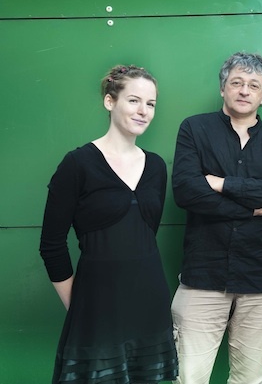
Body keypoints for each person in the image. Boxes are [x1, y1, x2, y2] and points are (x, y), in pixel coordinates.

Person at [39, 65, 178, 383]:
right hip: (97, 307)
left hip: (150, 303)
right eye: (134, 100)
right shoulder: (77, 164)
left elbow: (145, 234)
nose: (143, 111)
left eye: (151, 104)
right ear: (109, 101)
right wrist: (80, 306)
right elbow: (51, 246)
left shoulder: (156, 167)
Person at [170, 52, 262, 384]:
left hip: (260, 279)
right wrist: (254, 205)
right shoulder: (194, 129)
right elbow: (186, 191)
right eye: (237, 83)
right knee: (188, 378)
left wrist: (222, 184)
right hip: (203, 277)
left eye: (254, 85)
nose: (244, 90)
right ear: (223, 88)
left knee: (250, 379)